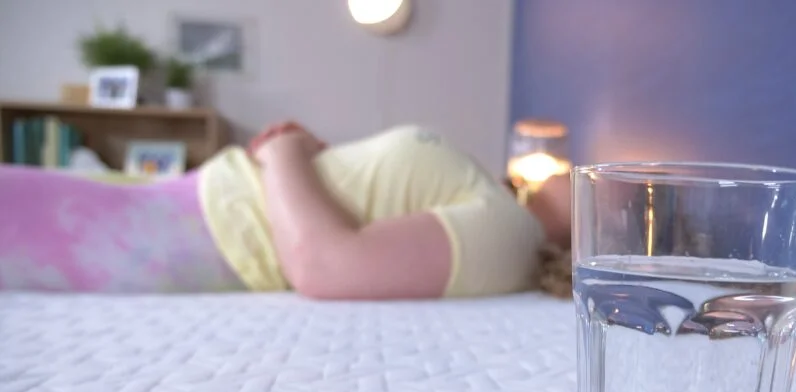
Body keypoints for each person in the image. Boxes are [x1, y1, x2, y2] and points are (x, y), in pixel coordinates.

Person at [0, 123, 572, 299]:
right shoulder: (502, 207)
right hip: (199, 201)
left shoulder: (511, 232)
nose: (586, 171)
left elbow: (326, 266)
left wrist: (284, 152)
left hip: (209, 228)